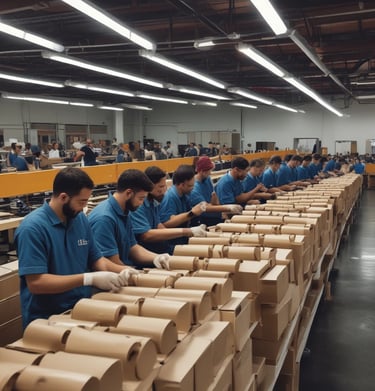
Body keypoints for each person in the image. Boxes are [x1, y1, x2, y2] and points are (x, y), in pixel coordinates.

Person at [15, 167, 135, 329]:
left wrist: (122, 270)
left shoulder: (79, 219)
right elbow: (37, 283)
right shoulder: (32, 229)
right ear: (63, 197)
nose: (84, 207)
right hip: (46, 320)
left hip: (81, 309)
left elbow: (97, 259)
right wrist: (88, 279)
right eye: (82, 202)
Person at [89, 169, 170, 269]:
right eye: (141, 198)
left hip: (125, 269)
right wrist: (139, 275)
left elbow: (132, 248)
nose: (141, 204)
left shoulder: (125, 211)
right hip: (114, 275)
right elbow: (112, 263)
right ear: (128, 193)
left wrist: (157, 257)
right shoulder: (104, 219)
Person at [130, 166, 207, 254]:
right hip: (148, 252)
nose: (163, 191)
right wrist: (187, 229)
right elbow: (146, 235)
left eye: (165, 186)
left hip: (162, 246)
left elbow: (159, 226)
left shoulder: (154, 202)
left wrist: (191, 232)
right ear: (149, 186)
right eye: (161, 187)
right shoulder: (138, 206)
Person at [159, 164, 207, 252]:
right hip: (172, 244)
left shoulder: (185, 195)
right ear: (181, 185)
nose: (192, 188)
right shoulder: (170, 197)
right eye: (190, 186)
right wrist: (192, 213)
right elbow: (167, 223)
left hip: (182, 239)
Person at [190, 156, 242, 225]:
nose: (210, 173)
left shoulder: (207, 179)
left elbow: (214, 197)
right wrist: (227, 208)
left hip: (213, 214)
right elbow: (204, 208)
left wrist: (220, 211)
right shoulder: (194, 188)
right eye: (209, 171)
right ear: (202, 171)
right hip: (203, 219)